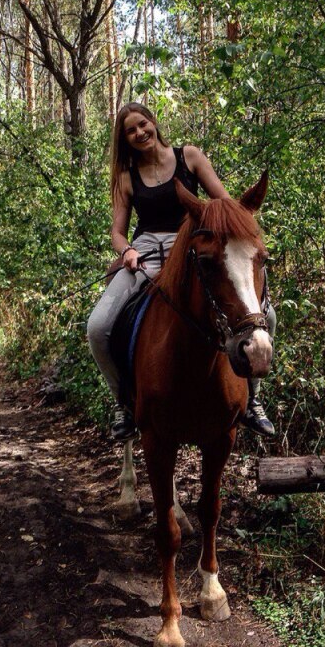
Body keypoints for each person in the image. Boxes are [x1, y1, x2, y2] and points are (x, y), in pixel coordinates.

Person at [86, 102, 276, 441]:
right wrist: (126, 250)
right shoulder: (126, 178)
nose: (140, 133)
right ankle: (124, 404)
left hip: (193, 250)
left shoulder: (189, 156)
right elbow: (117, 231)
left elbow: (224, 204)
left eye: (143, 124)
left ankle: (253, 401)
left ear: (153, 123)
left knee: (267, 316)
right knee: (98, 326)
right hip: (144, 254)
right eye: (131, 130)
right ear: (125, 139)